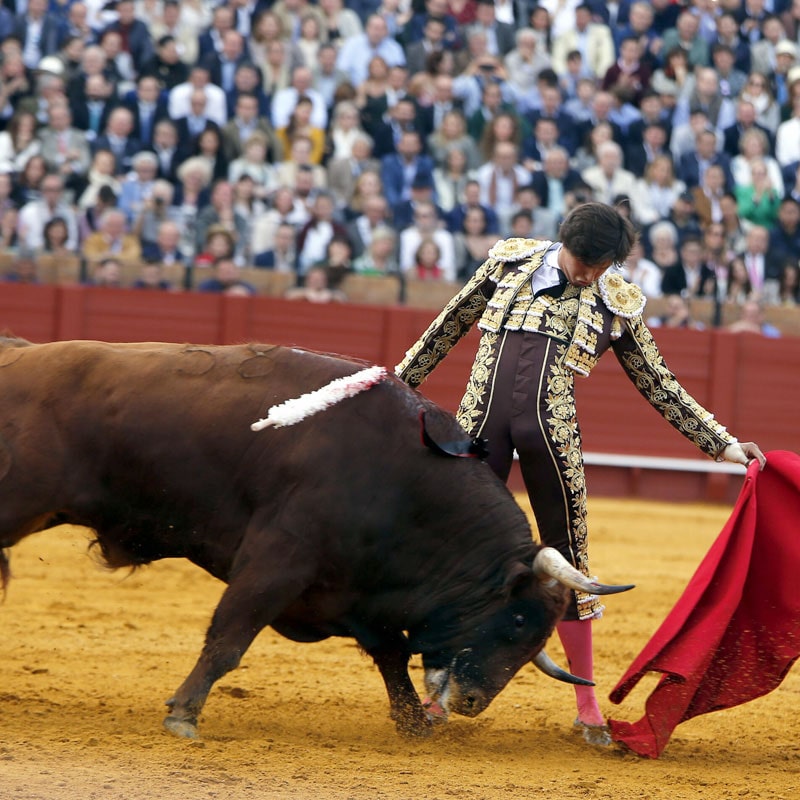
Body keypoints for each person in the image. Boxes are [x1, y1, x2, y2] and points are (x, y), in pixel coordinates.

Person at [394, 202, 765, 744]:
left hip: (553, 438)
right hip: (476, 433)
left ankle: (586, 704)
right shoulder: (508, 262)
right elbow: (446, 327)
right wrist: (394, 389)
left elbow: (660, 385)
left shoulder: (618, 300)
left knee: (570, 561)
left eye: (600, 265)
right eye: (582, 260)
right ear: (561, 240)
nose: (587, 272)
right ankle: (436, 692)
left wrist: (724, 444)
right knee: (455, 557)